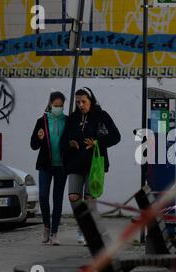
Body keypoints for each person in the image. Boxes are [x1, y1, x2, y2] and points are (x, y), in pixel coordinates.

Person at [61, 87, 121, 245]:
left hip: (94, 163)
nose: (81, 105)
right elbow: (63, 140)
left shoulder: (101, 116)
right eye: (78, 102)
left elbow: (116, 136)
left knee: (89, 198)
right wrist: (69, 143)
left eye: (84, 102)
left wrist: (97, 142)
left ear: (91, 101)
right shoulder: (73, 118)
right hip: (75, 163)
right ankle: (82, 224)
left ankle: (88, 231)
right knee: (73, 197)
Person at [30, 91, 68, 245]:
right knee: (43, 197)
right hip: (45, 165)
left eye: (61, 106)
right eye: (55, 105)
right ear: (50, 104)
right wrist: (39, 138)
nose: (58, 108)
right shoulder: (42, 121)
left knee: (57, 199)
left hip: (61, 166)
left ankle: (54, 233)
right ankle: (46, 226)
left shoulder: (67, 121)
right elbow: (33, 145)